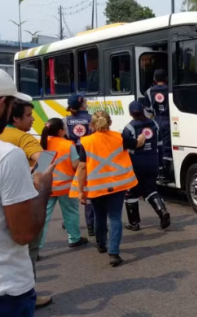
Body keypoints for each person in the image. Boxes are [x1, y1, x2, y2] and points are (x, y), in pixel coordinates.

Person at [0, 69, 55, 316]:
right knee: (31, 248)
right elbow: (45, 160)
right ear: (5, 105)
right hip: (9, 289)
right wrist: (42, 184)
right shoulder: (13, 148)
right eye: (30, 115)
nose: (33, 120)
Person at [69, 111, 145, 267]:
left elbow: (82, 167)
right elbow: (137, 144)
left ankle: (101, 244)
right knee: (115, 217)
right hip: (117, 185)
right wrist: (142, 137)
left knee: (99, 216)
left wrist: (81, 190)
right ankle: (114, 253)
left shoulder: (87, 141)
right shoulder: (119, 137)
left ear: (92, 125)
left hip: (96, 187)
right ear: (110, 123)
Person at [38, 118, 89, 250]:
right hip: (66, 187)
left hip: (47, 187)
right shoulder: (67, 145)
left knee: (43, 216)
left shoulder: (43, 143)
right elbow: (76, 166)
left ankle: (37, 246)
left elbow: (42, 167)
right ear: (60, 131)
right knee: (71, 213)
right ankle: (74, 238)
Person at [123, 101, 171, 231]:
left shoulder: (129, 127)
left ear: (130, 113)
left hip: (136, 163)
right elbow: (160, 145)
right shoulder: (154, 123)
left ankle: (134, 223)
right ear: (143, 109)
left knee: (131, 193)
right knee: (150, 189)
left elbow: (124, 146)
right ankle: (162, 211)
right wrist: (161, 164)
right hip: (153, 162)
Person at [64, 94, 95, 237]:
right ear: (82, 104)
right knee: (87, 193)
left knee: (72, 192)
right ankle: (90, 225)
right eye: (85, 101)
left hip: (72, 160)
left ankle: (69, 220)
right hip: (87, 160)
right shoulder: (92, 120)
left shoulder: (65, 121)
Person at [143, 69, 171, 181]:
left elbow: (148, 109)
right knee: (167, 146)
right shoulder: (171, 89)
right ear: (166, 78)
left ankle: (159, 171)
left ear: (154, 79)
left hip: (157, 120)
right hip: (169, 120)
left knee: (158, 145)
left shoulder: (149, 92)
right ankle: (166, 173)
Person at [0, 100, 41, 167]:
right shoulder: (25, 138)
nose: (33, 119)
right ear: (16, 118)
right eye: (29, 115)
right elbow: (45, 162)